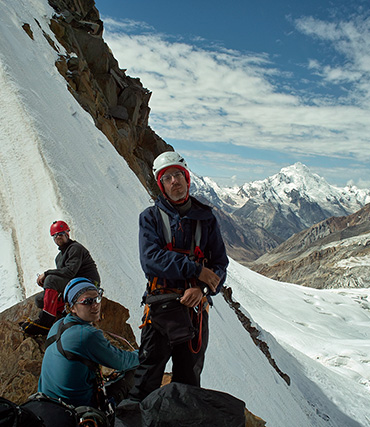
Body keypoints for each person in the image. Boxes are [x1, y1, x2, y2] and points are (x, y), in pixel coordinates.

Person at [127, 151, 229, 402]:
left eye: (178, 175)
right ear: (161, 185)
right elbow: (150, 260)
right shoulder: (150, 218)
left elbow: (219, 265)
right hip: (160, 311)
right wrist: (196, 271)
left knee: (188, 383)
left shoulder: (207, 220)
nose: (174, 181)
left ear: (187, 178)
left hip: (194, 315)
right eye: (167, 177)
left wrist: (202, 290)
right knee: (146, 380)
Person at [38, 278, 139, 407]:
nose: (95, 305)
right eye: (87, 302)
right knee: (134, 373)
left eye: (97, 298)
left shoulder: (57, 325)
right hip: (77, 409)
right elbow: (122, 362)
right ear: (72, 307)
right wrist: (144, 354)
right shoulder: (86, 335)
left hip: (47, 404)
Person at [21, 220, 100, 335]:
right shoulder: (59, 257)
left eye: (61, 234)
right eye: (55, 235)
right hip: (73, 284)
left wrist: (47, 274)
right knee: (39, 300)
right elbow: (63, 275)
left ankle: (45, 322)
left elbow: (69, 272)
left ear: (67, 234)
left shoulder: (75, 248)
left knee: (51, 280)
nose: (58, 237)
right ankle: (61, 314)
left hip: (87, 283)